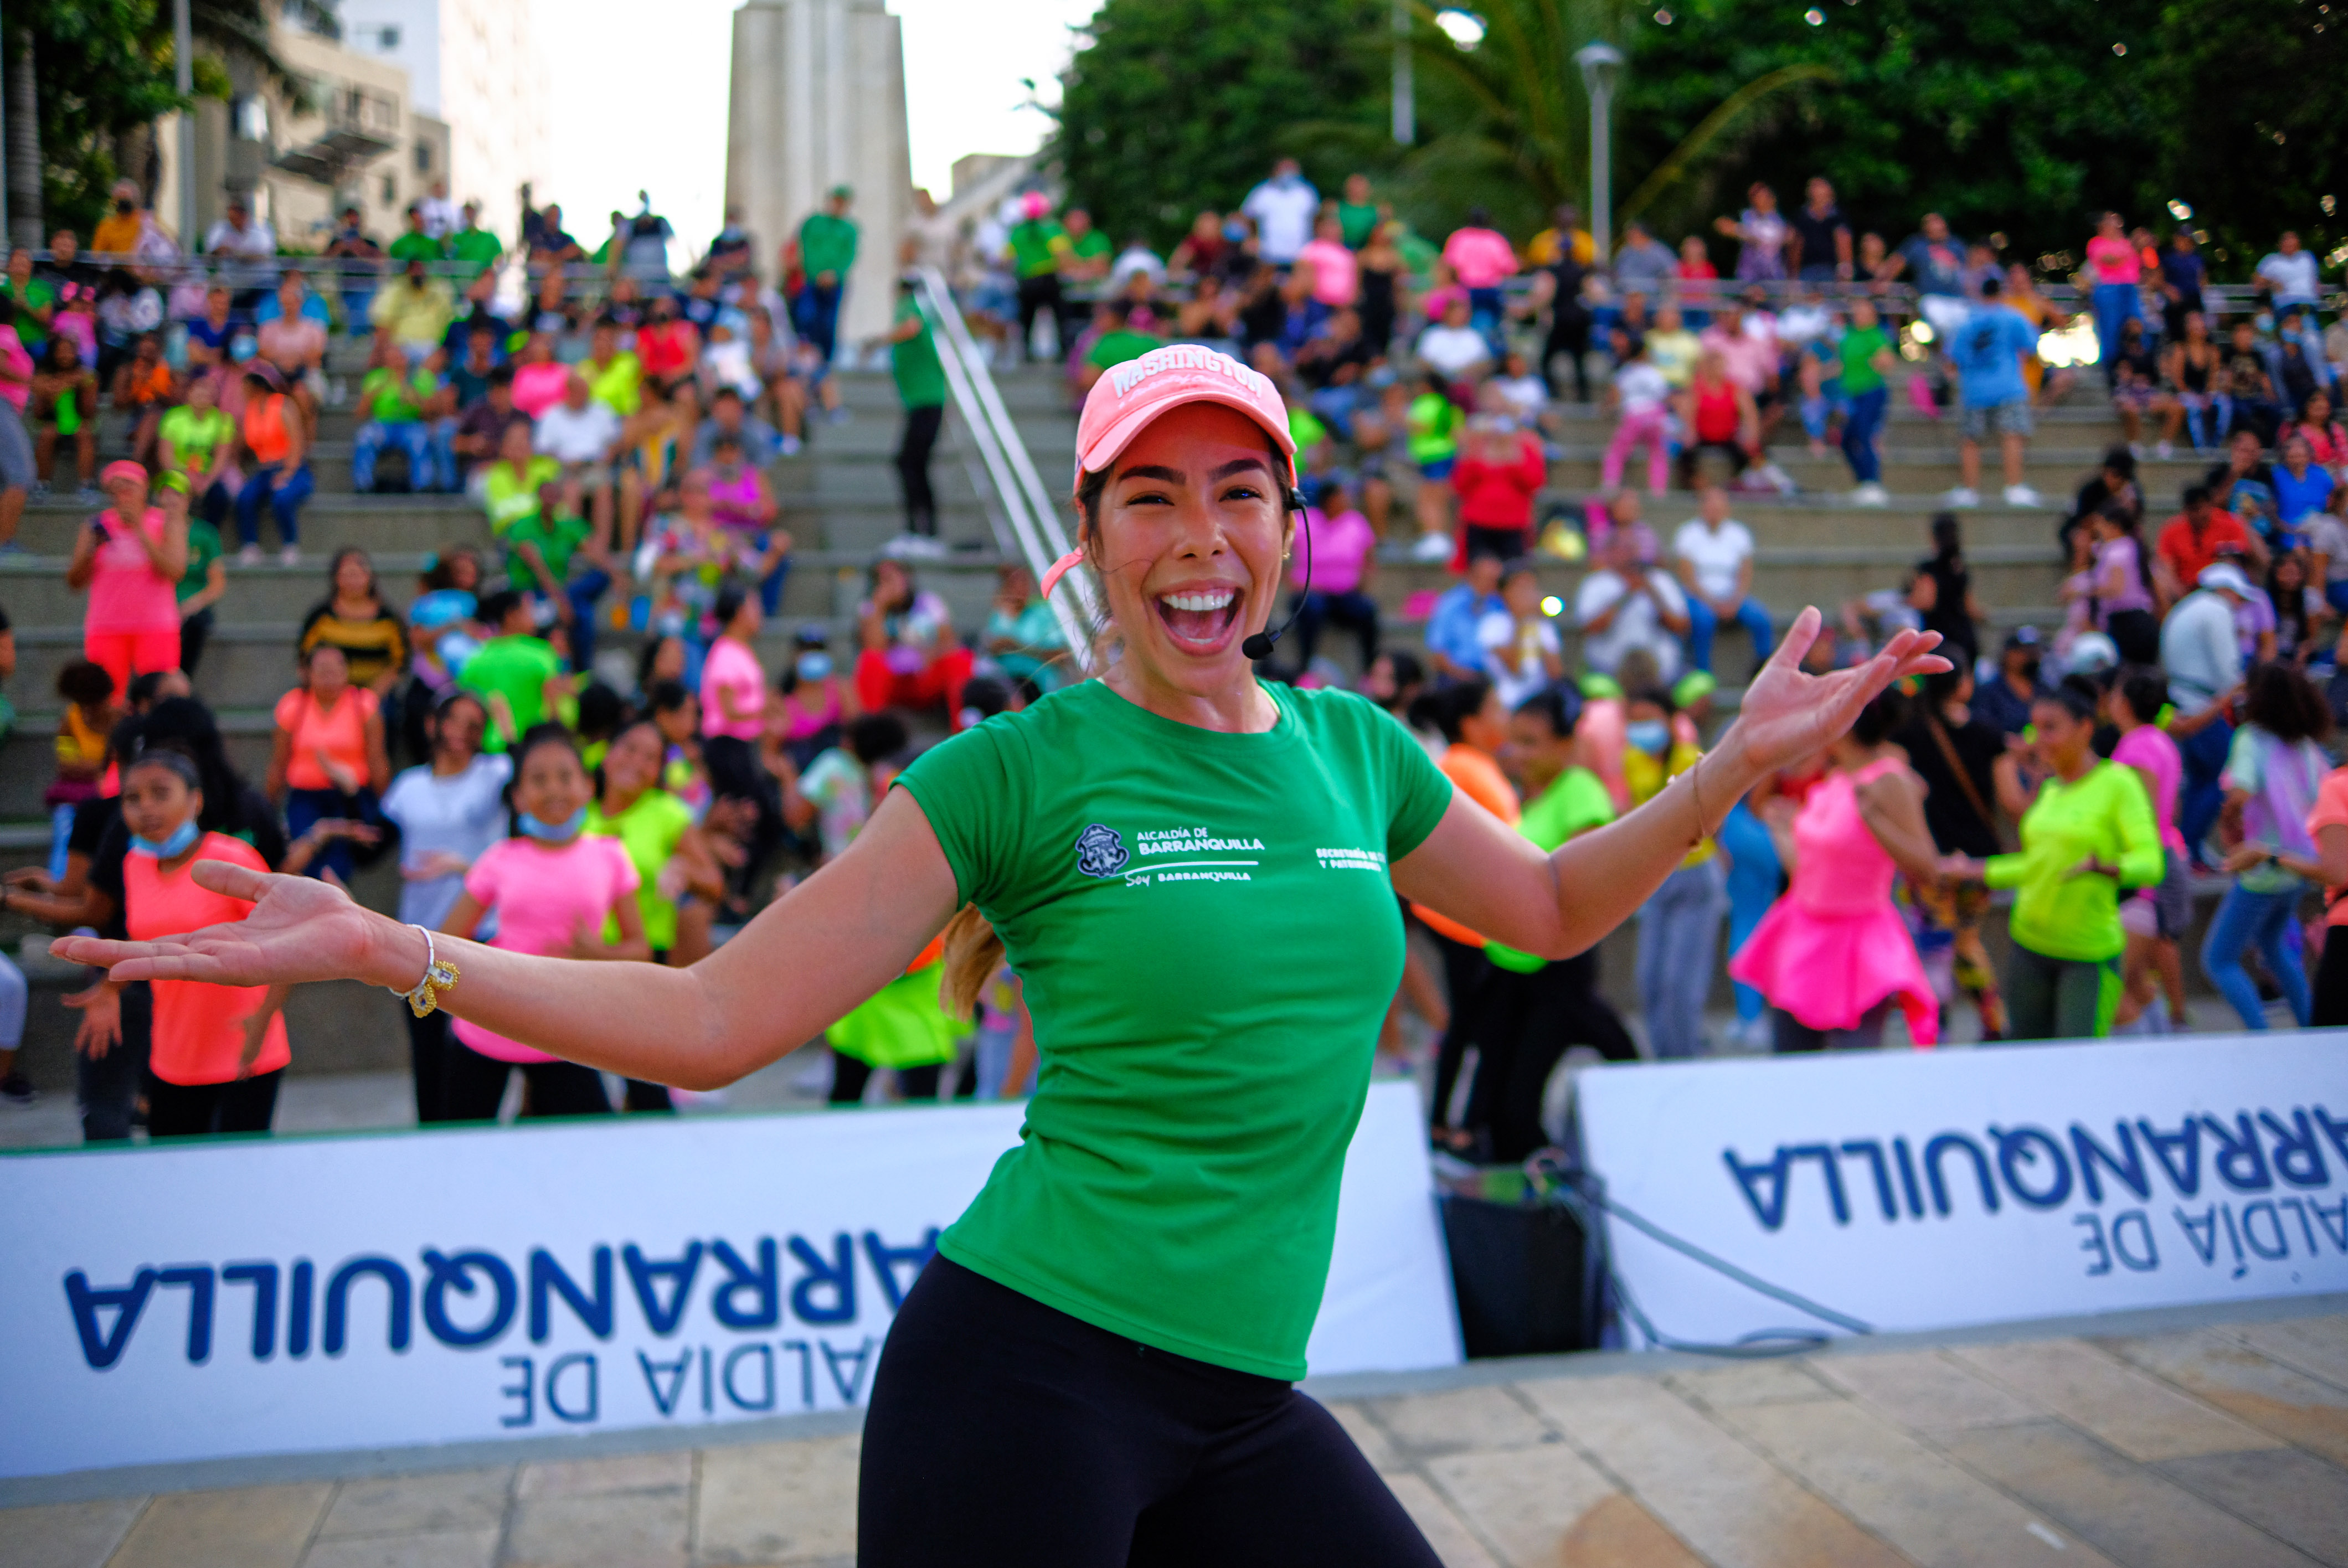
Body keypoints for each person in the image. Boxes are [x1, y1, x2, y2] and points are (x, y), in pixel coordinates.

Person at [58, 344, 1944, 1565]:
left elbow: (1539, 912)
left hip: (1239, 1402)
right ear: (1095, 540)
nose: (1201, 540)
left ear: (1292, 530)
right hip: (1025, 1382)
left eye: (1240, 494)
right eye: (1152, 497)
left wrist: (1735, 769)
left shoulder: (1357, 749)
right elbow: (719, 1020)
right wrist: (390, 945)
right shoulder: (1016, 772)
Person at [64, 747, 292, 1137]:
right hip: (172, 1057)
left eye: (160, 793)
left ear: (195, 800)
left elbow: (287, 947)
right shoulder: (134, 864)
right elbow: (151, 946)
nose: (146, 808)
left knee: (238, 1179)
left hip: (244, 1051)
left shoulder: (231, 859)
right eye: (133, 799)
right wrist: (111, 987)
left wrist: (261, 1024)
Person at [1457, 688, 1636, 1160]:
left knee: (1519, 1109)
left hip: (1556, 972)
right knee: (1493, 1107)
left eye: (1532, 742)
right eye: (1515, 741)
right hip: (1510, 968)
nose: (1518, 753)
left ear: (1565, 744)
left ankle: (1560, 1203)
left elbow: (1585, 887)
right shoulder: (1529, 794)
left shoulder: (1581, 793)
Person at [434, 725, 644, 1121]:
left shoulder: (610, 856)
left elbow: (640, 947)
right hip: (488, 1027)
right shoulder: (499, 858)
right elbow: (446, 941)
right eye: (538, 779)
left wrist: (597, 954)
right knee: (460, 1150)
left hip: (568, 1031)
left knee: (587, 1149)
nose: (553, 791)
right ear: (519, 797)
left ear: (587, 787)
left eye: (566, 777)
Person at [1944, 678, 2160, 1040]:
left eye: (2051, 728)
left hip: (2087, 955)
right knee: (2030, 1063)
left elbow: (2152, 861)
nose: (2038, 739)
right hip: (2029, 946)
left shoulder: (2118, 784)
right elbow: (2036, 865)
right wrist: (1976, 871)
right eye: (2034, 728)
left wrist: (2112, 869)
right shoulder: (2050, 789)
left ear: (2085, 728)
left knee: (2076, 1068)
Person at [1731, 689, 1941, 1050]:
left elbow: (1927, 866)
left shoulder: (1888, 780)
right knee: (1793, 1068)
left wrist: (1875, 820)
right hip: (1802, 935)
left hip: (1858, 944)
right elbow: (1807, 869)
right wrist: (1782, 828)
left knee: (1853, 1073)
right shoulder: (1835, 779)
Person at [378, 689, 510, 1122]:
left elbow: (531, 765)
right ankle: (431, 1136)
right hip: (420, 939)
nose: (464, 733)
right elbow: (376, 839)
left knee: (475, 1048)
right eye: (457, 721)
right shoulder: (409, 786)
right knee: (428, 1046)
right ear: (436, 723)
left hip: (482, 935)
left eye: (476, 725)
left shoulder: (494, 774)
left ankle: (472, 1133)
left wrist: (508, 729)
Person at [590, 715, 725, 1108]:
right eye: (630, 748)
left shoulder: (667, 813)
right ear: (607, 753)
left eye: (650, 757)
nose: (637, 762)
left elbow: (713, 882)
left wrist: (684, 870)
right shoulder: (578, 810)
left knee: (646, 1087)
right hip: (578, 960)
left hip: (644, 967)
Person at [1411, 678, 1516, 1149]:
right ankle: (1458, 1126)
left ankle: (1454, 1122)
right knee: (1475, 1024)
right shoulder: (1463, 767)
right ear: (1472, 723)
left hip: (1472, 918)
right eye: (1496, 707)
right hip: (1467, 922)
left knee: (1471, 1023)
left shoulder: (1471, 765)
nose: (1505, 715)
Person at [2203, 661, 2329, 1030]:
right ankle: (2312, 1028)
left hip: (2262, 868)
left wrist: (2229, 817)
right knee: (2275, 948)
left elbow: (2240, 791)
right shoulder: (2305, 744)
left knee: (2218, 959)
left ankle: (2262, 1036)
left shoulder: (2251, 739)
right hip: (2297, 866)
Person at [1624, 683, 1726, 1058]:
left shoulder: (1689, 759)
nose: (1639, 730)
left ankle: (1684, 1062)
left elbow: (1706, 818)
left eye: (1648, 720)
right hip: (1656, 879)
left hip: (1695, 878)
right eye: (1633, 722)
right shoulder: (1632, 760)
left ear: (1670, 722)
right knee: (1649, 980)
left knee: (1680, 984)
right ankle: (1663, 1058)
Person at [2103, 667, 2190, 1034]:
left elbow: (2145, 817)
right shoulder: (2161, 741)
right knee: (2137, 980)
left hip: (2145, 875)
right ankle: (2163, 1047)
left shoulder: (2136, 748)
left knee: (2111, 983)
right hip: (2164, 857)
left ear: (2123, 704)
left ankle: (2147, 1056)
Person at [266, 644, 391, 885]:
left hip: (349, 797)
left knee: (338, 865)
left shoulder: (364, 705)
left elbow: (377, 758)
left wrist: (384, 802)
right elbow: (279, 761)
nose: (330, 677)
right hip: (305, 798)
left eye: (337, 670)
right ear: (307, 673)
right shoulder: (292, 706)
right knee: (304, 860)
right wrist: (269, 802)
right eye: (322, 670)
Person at [68, 461, 187, 694]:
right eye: (118, 486)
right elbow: (75, 583)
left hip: (156, 626)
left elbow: (175, 571)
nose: (125, 492)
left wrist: (140, 530)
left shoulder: (165, 522)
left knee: (158, 696)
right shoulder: (96, 526)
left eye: (130, 485)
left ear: (144, 489)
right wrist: (92, 549)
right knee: (106, 698)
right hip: (106, 626)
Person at [2162, 561, 2253, 863]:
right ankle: (2188, 847)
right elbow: (2228, 670)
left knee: (2201, 780)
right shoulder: (2216, 610)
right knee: (2223, 775)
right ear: (2227, 591)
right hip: (2202, 705)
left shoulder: (2185, 608)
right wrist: (2238, 691)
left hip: (2182, 698)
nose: (2240, 605)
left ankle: (2191, 848)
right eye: (2239, 597)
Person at [1945, 277, 2043, 508]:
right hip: (2008, 386)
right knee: (2011, 435)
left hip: (1974, 390)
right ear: (2001, 293)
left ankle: (1970, 491)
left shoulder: (1966, 320)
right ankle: (2014, 488)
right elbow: (2031, 345)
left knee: (1970, 440)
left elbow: (1954, 356)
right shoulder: (2012, 316)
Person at [856, 556, 972, 722]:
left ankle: (963, 728)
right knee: (870, 661)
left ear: (906, 577)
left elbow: (949, 643)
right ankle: (873, 730)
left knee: (960, 659)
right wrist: (881, 607)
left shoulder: (929, 602)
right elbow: (874, 648)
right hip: (893, 683)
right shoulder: (870, 608)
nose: (889, 585)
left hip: (925, 677)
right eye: (881, 580)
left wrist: (929, 657)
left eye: (891, 578)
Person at [1674, 485, 1771, 675]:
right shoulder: (1688, 533)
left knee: (1761, 620)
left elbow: (1745, 573)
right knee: (1702, 622)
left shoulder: (1739, 534)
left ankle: (1764, 671)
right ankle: (1704, 676)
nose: (1714, 513)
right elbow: (1687, 577)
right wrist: (1713, 603)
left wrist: (1735, 600)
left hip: (1731, 594)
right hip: (1700, 595)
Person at [1577, 525, 1691, 685]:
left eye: (1634, 547)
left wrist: (1652, 593)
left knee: (1700, 686)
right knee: (1595, 688)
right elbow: (1590, 628)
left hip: (1662, 674)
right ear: (1610, 552)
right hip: (1609, 673)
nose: (1631, 553)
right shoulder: (1596, 582)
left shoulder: (1661, 580)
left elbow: (1681, 626)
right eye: (1624, 548)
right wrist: (1627, 595)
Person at [459, 589, 569, 751]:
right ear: (511, 615)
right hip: (531, 749)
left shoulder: (474, 661)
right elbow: (554, 712)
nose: (534, 618)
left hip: (487, 752)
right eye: (528, 611)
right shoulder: (541, 654)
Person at [1288, 476, 1379, 672]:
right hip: (1311, 595)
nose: (1347, 500)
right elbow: (1282, 553)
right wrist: (1292, 581)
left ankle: (1370, 670)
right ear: (1329, 499)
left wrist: (1362, 583)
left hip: (1344, 595)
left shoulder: (1356, 522)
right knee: (1311, 608)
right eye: (1342, 496)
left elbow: (1369, 558)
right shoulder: (1305, 521)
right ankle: (1305, 668)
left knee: (1368, 610)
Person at [885, 275, 948, 547]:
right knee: (914, 463)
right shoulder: (926, 312)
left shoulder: (910, 306)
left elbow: (911, 326)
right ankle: (923, 529)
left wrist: (876, 341)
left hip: (927, 399)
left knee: (909, 463)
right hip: (923, 400)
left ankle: (922, 530)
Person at [298, 548, 409, 698]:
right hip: (328, 694)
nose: (353, 581)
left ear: (370, 577)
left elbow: (399, 664)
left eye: (358, 575)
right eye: (347, 575)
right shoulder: (321, 616)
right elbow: (304, 659)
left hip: (377, 695)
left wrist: (371, 697)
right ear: (336, 578)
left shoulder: (389, 618)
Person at [234, 364, 311, 565]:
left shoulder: (283, 405)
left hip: (291, 467)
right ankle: (250, 544)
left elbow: (297, 441)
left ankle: (290, 544)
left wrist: (288, 472)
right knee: (245, 498)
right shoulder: (250, 410)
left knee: (282, 499)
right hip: (264, 470)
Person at [1475, 559, 1561, 710]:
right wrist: (1520, 622)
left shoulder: (1542, 625)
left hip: (1542, 702)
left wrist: (1537, 625)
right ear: (1503, 593)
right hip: (1506, 701)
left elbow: (1556, 674)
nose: (1527, 594)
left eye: (1531, 588)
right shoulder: (1492, 624)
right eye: (1520, 588)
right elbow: (1515, 669)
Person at [796, 186, 858, 377]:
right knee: (805, 317)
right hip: (812, 281)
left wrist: (834, 274)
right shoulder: (813, 223)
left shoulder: (849, 229)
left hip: (834, 284)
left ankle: (825, 365)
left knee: (829, 323)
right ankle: (806, 358)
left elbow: (849, 256)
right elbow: (805, 248)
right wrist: (816, 274)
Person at [1601, 331, 1670, 494]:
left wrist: (1605, 409)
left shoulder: (1624, 373)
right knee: (1658, 453)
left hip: (1633, 416)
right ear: (1645, 353)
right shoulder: (1655, 373)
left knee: (1617, 452)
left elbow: (1614, 398)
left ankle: (1611, 484)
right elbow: (1664, 397)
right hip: (1655, 415)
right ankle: (1658, 489)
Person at [1241, 156, 1319, 267]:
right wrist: (1253, 238)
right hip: (1268, 256)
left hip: (1301, 256)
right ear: (1275, 171)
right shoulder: (1262, 192)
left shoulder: (1306, 192)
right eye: (1284, 169)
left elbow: (1316, 219)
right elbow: (1248, 216)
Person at [1714, 182, 1790, 281]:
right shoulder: (1746, 216)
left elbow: (1790, 238)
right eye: (1756, 196)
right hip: (1749, 275)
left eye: (1764, 196)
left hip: (1774, 275)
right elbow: (1721, 224)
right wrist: (1746, 233)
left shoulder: (1780, 220)